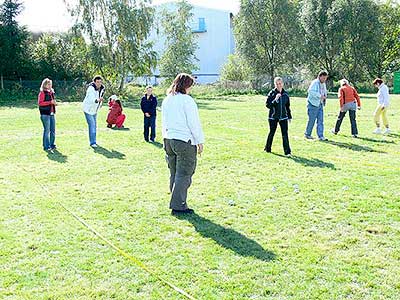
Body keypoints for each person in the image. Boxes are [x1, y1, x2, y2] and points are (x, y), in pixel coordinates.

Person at [162, 73, 204, 215]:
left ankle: (177, 201)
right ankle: (178, 205)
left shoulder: (167, 99)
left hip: (169, 139)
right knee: (184, 173)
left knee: (174, 172)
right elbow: (194, 124)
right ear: (186, 86)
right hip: (183, 141)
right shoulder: (187, 101)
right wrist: (199, 141)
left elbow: (164, 121)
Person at [264, 77, 292, 156]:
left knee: (285, 134)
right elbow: (268, 105)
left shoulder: (285, 94)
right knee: (272, 132)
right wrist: (275, 100)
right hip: (273, 117)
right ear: (275, 84)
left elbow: (287, 106)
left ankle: (287, 152)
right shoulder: (272, 93)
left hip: (283, 117)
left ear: (282, 84)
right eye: (277, 84)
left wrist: (289, 116)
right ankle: (267, 148)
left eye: (280, 83)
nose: (279, 85)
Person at [305, 71, 328, 141]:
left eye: (325, 78)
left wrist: (325, 96)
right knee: (312, 120)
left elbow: (324, 91)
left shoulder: (323, 84)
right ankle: (307, 134)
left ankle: (321, 136)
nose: (324, 80)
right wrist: (320, 96)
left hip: (320, 104)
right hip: (313, 104)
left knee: (320, 121)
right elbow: (310, 91)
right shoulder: (315, 83)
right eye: (323, 78)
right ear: (320, 76)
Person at [82, 75, 105, 147]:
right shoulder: (91, 89)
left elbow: (100, 97)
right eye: (97, 82)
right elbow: (92, 98)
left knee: (94, 126)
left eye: (100, 82)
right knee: (92, 125)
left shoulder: (101, 89)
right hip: (88, 109)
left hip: (94, 110)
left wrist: (100, 103)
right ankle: (93, 142)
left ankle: (94, 141)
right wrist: (97, 100)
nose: (99, 83)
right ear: (94, 82)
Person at [38, 78, 57, 152]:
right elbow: (40, 103)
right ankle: (46, 146)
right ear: (44, 85)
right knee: (47, 130)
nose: (50, 85)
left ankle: (52, 144)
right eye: (48, 84)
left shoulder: (51, 92)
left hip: (52, 114)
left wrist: (54, 103)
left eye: (50, 84)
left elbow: (51, 102)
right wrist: (50, 102)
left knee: (53, 130)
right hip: (45, 114)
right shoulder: (42, 93)